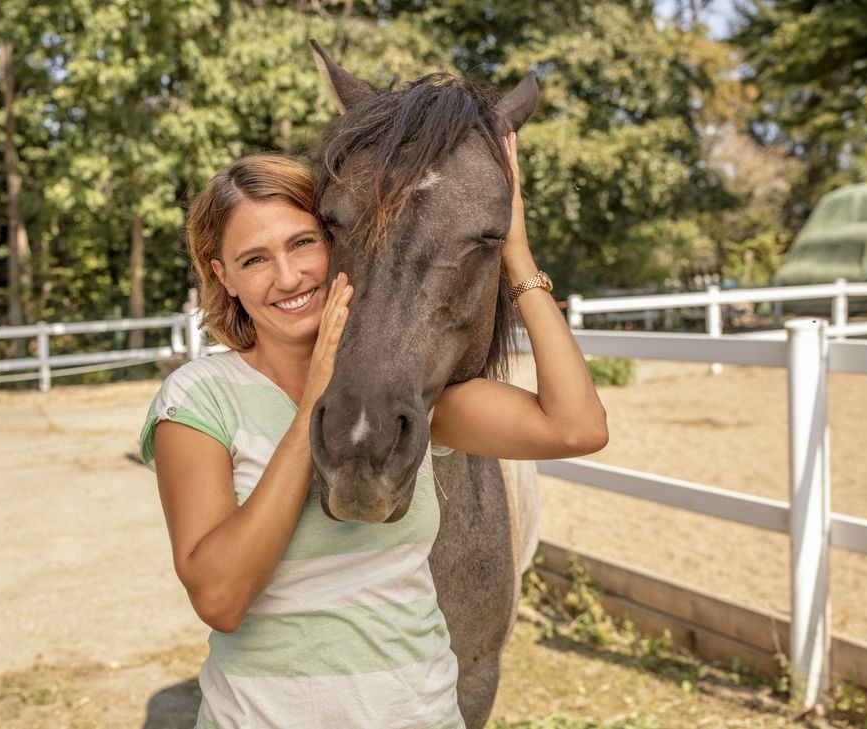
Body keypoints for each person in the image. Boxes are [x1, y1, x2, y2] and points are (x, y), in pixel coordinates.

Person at [140, 143, 607, 729]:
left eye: (303, 243)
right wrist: (312, 404)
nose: (288, 276)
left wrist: (515, 252)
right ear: (224, 277)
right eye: (254, 259)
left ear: (345, 242)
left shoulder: (402, 396)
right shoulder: (199, 397)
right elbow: (220, 599)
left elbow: (577, 427)